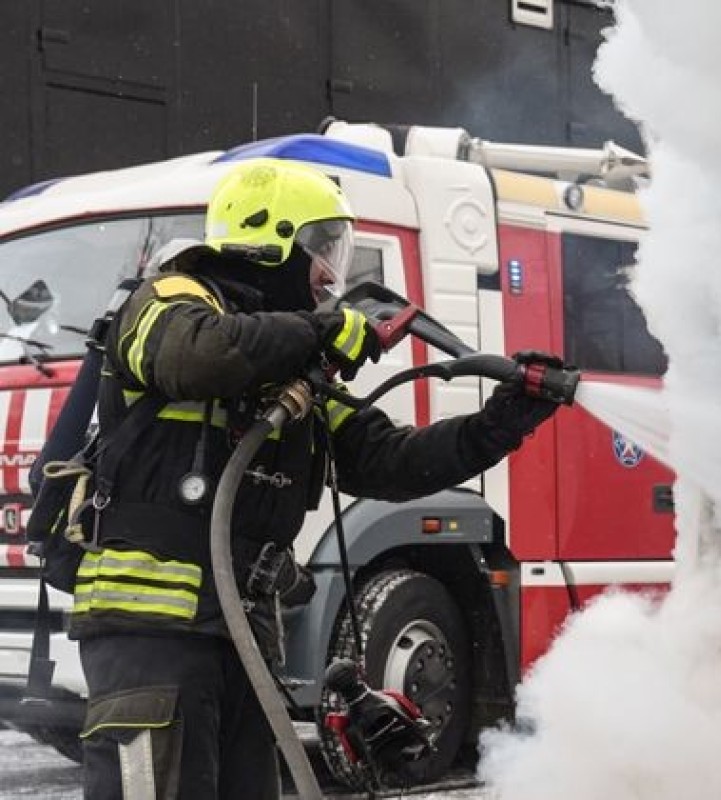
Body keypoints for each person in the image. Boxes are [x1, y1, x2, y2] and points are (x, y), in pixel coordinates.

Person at [71, 158, 560, 799]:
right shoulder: (166, 301)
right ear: (272, 241)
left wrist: (499, 424)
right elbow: (199, 356)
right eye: (322, 246)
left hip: (243, 637)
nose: (332, 271)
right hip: (150, 632)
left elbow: (391, 460)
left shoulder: (293, 377)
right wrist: (319, 330)